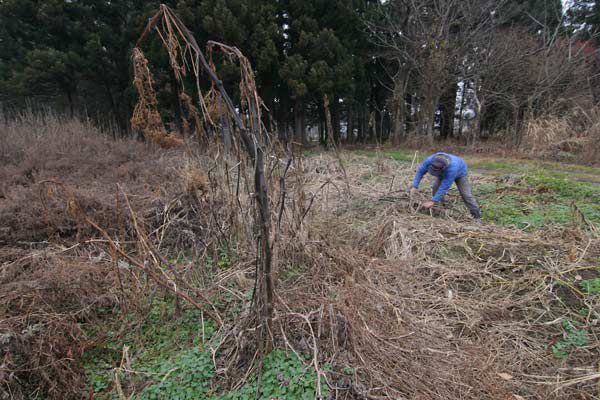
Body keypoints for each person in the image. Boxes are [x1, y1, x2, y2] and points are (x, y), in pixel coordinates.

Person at [410, 152, 482, 222]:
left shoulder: (452, 168)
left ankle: (477, 216)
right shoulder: (429, 160)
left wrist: (433, 201)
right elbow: (420, 171)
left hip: (461, 173)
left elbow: (444, 187)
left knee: (466, 195)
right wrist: (415, 186)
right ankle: (439, 209)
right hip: (444, 172)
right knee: (435, 189)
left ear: (443, 168)